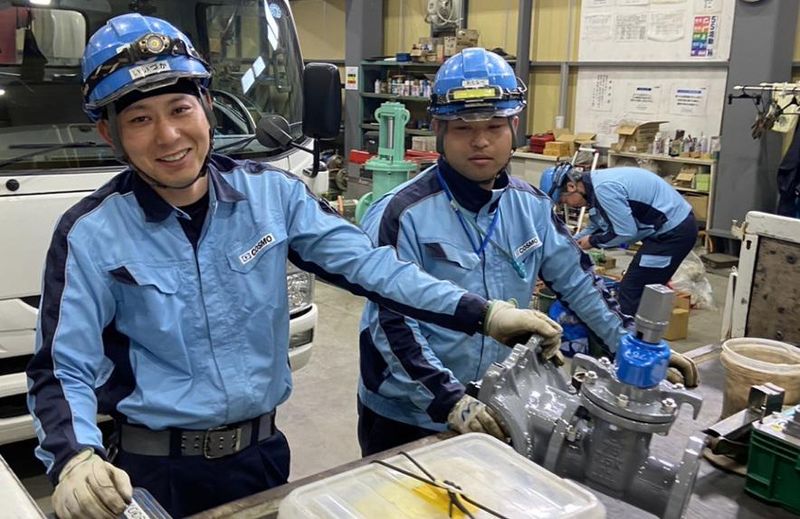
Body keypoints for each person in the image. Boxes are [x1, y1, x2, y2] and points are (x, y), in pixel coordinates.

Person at [25, 16, 565, 519]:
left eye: (180, 109)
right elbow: (62, 365)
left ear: (207, 106)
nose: (168, 136)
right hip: (150, 473)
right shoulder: (91, 234)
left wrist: (484, 314)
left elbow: (374, 268)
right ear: (109, 134)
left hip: (261, 457)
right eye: (140, 119)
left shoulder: (272, 198)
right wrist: (75, 457)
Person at [356, 48, 647, 457]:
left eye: (494, 125)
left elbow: (580, 285)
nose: (480, 140)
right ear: (438, 129)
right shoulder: (401, 214)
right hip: (410, 415)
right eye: (462, 128)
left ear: (514, 126)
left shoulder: (531, 208)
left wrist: (632, 349)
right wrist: (449, 400)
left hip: (498, 406)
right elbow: (391, 322)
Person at [539, 162, 698, 317]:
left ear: (571, 187)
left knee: (633, 289)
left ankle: (629, 332)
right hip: (665, 227)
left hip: (674, 233)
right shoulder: (592, 186)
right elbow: (596, 225)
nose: (567, 205)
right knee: (641, 285)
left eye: (563, 200)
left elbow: (626, 233)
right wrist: (571, 242)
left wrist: (593, 241)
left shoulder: (604, 190)